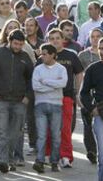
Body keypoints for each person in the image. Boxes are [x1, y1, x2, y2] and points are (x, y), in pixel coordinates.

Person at [0, 29, 34, 173]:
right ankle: (2, 160)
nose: (18, 47)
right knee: (1, 131)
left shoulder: (25, 57)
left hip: (19, 101)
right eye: (16, 43)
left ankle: (9, 159)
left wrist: (27, 97)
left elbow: (32, 79)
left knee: (15, 133)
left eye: (21, 44)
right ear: (9, 41)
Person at [46, 28, 84, 168]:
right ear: (48, 41)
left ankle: (66, 156)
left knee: (65, 129)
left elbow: (79, 72)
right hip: (48, 98)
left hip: (66, 96)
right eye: (52, 38)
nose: (55, 41)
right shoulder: (45, 55)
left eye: (57, 38)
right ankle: (49, 154)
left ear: (63, 39)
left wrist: (78, 91)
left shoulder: (71, 55)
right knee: (49, 128)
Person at [32, 43, 68, 173]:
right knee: (41, 135)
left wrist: (45, 81)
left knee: (55, 136)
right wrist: (54, 85)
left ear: (53, 55)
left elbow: (63, 83)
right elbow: (36, 87)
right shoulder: (38, 69)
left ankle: (54, 162)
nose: (42, 56)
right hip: (40, 105)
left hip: (56, 105)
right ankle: (40, 161)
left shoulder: (61, 69)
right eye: (41, 54)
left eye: (45, 54)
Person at [78, 28, 102, 164]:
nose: (95, 39)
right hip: (94, 103)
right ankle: (91, 151)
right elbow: (79, 76)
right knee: (88, 125)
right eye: (93, 36)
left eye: (98, 36)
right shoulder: (84, 56)